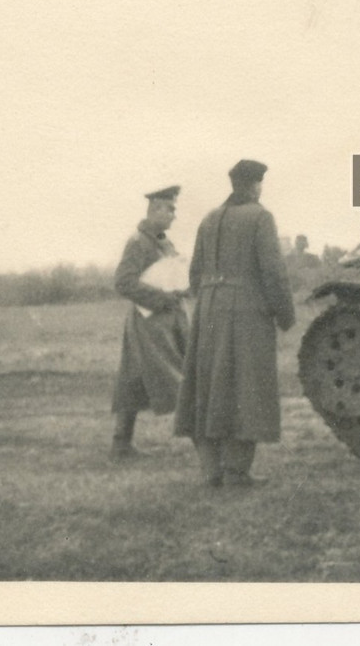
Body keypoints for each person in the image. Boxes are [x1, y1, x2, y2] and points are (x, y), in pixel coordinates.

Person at [174, 160, 296, 488]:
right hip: (246, 312)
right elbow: (273, 272)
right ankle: (236, 471)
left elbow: (195, 273)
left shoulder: (209, 218)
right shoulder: (260, 217)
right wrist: (285, 315)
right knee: (246, 386)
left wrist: (209, 299)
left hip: (207, 311)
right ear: (255, 185)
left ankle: (211, 470)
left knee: (207, 386)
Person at [109, 185, 189, 460]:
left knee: (134, 379)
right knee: (178, 377)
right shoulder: (138, 243)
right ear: (155, 210)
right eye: (170, 209)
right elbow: (123, 282)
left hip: (169, 319)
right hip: (150, 322)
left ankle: (121, 443)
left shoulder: (164, 243)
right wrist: (161, 298)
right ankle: (207, 442)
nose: (174, 215)